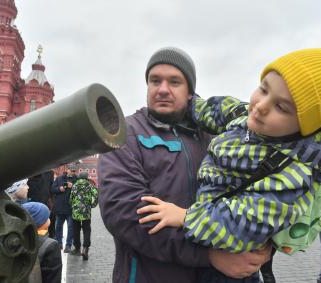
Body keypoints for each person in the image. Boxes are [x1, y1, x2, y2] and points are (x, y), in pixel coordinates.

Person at [136, 48, 321, 282]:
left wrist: (184, 217)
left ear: (305, 127)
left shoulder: (295, 173)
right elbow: (214, 110)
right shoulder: (247, 116)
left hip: (228, 267)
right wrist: (185, 100)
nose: (261, 105)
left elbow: (245, 222)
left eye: (281, 107)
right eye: (263, 89)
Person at [98, 47, 271, 283]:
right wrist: (209, 255)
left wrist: (264, 245)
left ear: (190, 91)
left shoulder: (216, 136)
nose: (162, 89)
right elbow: (126, 213)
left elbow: (256, 195)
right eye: (154, 80)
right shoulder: (125, 134)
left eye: (175, 82)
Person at [22, 202, 62, 283]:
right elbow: (53, 277)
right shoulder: (51, 245)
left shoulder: (20, 239)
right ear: (41, 222)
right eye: (47, 217)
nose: (49, 218)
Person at [69, 170, 99, 260]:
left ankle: (77, 248)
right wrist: (93, 205)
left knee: (76, 230)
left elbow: (71, 198)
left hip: (76, 212)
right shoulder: (89, 185)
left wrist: (72, 206)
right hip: (86, 212)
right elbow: (97, 195)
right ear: (86, 177)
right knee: (86, 230)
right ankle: (85, 249)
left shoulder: (75, 186)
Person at [51, 168, 77, 253]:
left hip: (70, 208)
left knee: (70, 228)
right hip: (60, 207)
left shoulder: (76, 180)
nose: (73, 172)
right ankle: (59, 243)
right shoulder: (59, 178)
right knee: (58, 226)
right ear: (67, 170)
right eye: (71, 170)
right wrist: (60, 188)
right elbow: (52, 189)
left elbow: (80, 192)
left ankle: (68, 245)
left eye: (74, 171)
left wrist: (73, 186)